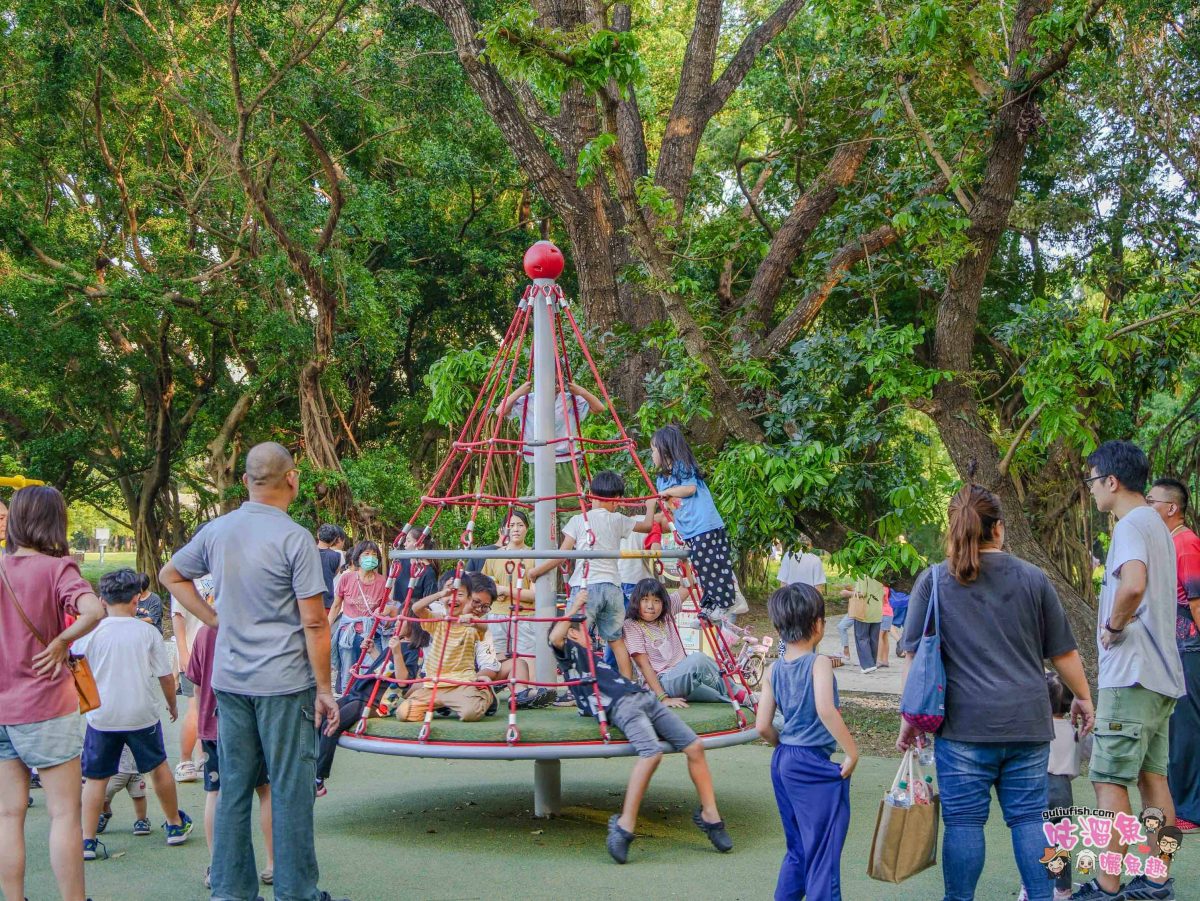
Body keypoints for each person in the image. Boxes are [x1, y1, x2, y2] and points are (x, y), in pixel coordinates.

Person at [160, 441, 345, 901]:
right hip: (284, 683)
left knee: (233, 787)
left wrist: (211, 618)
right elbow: (315, 620)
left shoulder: (218, 530)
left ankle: (230, 891)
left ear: (245, 481)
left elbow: (170, 575)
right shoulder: (295, 537)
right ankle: (297, 891)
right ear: (293, 478)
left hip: (231, 681)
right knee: (289, 790)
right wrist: (325, 688)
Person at [897, 484, 1095, 901]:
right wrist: (1083, 696)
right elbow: (1063, 652)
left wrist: (909, 720)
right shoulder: (1033, 578)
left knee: (965, 824)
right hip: (1027, 723)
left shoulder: (933, 580)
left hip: (963, 728)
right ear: (999, 529)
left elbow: (915, 660)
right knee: (1027, 821)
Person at [1075, 441, 1186, 900]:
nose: (1091, 490)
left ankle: (1107, 886)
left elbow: (1133, 584)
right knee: (1153, 779)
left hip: (1133, 675)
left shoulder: (1130, 526)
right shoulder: (1158, 525)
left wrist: (1112, 626)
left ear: (1111, 481)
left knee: (1108, 780)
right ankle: (1158, 878)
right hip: (1161, 677)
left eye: (1091, 480)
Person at [549, 588, 733, 864]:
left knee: (694, 746)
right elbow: (554, 637)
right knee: (651, 752)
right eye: (585, 628)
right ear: (574, 634)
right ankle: (625, 825)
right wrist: (575, 605)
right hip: (622, 706)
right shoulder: (571, 655)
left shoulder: (595, 657)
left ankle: (710, 815)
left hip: (644, 697)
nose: (592, 633)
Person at [0, 484, 105, 901]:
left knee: (8, 814)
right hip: (45, 705)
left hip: (2, 710)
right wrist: (62, 642)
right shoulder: (58, 568)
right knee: (64, 814)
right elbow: (93, 610)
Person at [74, 568, 192, 860]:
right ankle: (175, 825)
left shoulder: (89, 632)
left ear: (102, 599)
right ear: (137, 598)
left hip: (101, 716)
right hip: (142, 714)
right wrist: (172, 703)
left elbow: (76, 669)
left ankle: (87, 840)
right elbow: (165, 676)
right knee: (158, 767)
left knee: (95, 778)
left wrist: (87, 704)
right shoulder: (147, 631)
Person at [756, 583, 858, 900]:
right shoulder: (819, 663)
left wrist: (784, 748)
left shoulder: (773, 669)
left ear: (778, 626)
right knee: (823, 852)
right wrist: (852, 752)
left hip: (783, 760)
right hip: (812, 763)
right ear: (818, 625)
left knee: (798, 848)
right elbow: (826, 709)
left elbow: (762, 726)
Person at [186, 622, 274, 890]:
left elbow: (198, 685)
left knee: (216, 792)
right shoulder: (255, 626)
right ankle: (274, 863)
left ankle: (218, 865)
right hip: (251, 723)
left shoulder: (205, 631)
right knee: (265, 790)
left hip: (214, 724)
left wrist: (202, 727)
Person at [1147, 476, 1200, 834]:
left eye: (1152, 501)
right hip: (1175, 649)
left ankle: (1191, 809)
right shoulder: (1168, 542)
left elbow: (1196, 600)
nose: (1147, 507)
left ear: (1171, 508)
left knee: (1187, 729)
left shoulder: (1185, 543)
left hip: (1190, 648)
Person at [570, 470, 656, 679]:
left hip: (585, 586)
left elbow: (562, 552)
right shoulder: (617, 519)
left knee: (573, 636)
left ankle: (576, 686)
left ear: (590, 494)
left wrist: (538, 570)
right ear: (616, 500)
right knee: (616, 640)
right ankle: (626, 685)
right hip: (612, 587)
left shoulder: (578, 519)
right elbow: (646, 525)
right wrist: (650, 506)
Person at [1019, 672, 1092, 901]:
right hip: (1063, 791)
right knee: (1061, 842)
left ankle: (1028, 889)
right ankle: (1063, 891)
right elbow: (1087, 752)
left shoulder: (1035, 727)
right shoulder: (1073, 730)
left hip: (1037, 786)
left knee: (1032, 840)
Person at [651, 425, 737, 617]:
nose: (651, 455)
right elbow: (672, 506)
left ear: (665, 450)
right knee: (701, 568)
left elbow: (689, 489)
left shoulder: (683, 466)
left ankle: (723, 603)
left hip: (705, 526)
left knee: (712, 565)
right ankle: (709, 605)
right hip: (689, 531)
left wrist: (669, 493)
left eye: (653, 450)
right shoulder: (662, 479)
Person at [395, 571, 493, 723]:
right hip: (434, 684)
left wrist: (472, 622)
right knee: (403, 713)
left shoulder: (470, 620)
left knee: (470, 714)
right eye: (450, 592)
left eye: (460, 594)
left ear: (468, 599)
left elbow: (484, 629)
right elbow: (416, 608)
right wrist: (441, 593)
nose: (453, 597)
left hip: (461, 684)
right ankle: (440, 705)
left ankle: (485, 695)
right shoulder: (438, 620)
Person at [498, 379, 605, 518]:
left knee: (569, 503)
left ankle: (571, 538)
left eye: (556, 381)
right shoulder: (528, 400)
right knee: (537, 504)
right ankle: (540, 539)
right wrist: (519, 392)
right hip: (536, 459)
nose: (552, 385)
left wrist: (581, 391)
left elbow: (599, 408)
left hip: (564, 458)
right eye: (548, 380)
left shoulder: (569, 399)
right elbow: (500, 411)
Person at [623, 578, 733, 704]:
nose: (650, 606)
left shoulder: (666, 614)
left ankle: (745, 698)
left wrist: (684, 561)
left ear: (663, 603)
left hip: (683, 678)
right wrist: (663, 698)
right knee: (698, 659)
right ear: (636, 601)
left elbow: (687, 586)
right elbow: (643, 665)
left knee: (721, 696)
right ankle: (738, 693)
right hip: (662, 684)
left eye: (656, 601)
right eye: (645, 600)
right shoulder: (632, 625)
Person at [328, 541, 390, 694]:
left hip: (371, 636)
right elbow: (336, 606)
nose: (371, 557)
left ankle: (365, 705)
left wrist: (385, 612)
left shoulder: (383, 582)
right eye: (367, 554)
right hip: (348, 635)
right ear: (358, 557)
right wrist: (326, 630)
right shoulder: (347, 578)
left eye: (374, 554)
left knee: (371, 672)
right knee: (348, 675)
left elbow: (388, 607)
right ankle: (346, 703)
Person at [170, 568, 210, 784]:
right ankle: (185, 762)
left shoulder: (225, 570)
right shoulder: (185, 577)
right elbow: (178, 615)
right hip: (197, 651)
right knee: (196, 707)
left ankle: (201, 757)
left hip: (217, 651)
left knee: (209, 707)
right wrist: (183, 653)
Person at [96, 747, 149, 838]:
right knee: (105, 793)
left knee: (139, 795)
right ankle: (105, 812)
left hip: (137, 769)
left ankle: (142, 820)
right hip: (117, 770)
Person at [845, 575, 884, 672]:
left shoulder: (862, 574)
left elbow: (862, 593)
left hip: (864, 611)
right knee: (874, 639)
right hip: (877, 611)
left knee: (862, 638)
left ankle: (868, 665)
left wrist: (848, 593)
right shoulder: (880, 574)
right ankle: (872, 663)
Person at [316, 524, 345, 610]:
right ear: (334, 539)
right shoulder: (336, 556)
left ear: (318, 535)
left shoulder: (307, 552)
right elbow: (335, 573)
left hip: (309, 599)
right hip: (327, 601)